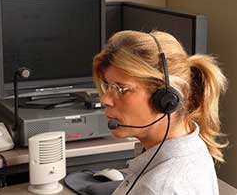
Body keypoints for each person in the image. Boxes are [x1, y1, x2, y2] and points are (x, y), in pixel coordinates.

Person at [92, 30, 228, 195]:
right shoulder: (192, 145)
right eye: (108, 86)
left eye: (122, 89)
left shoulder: (157, 188)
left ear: (165, 99)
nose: (105, 99)